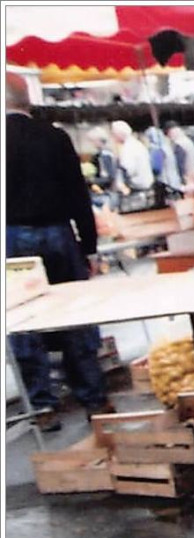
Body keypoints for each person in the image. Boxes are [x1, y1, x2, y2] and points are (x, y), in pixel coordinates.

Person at [5, 74, 109, 430]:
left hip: (13, 239)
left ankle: (44, 406)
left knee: (23, 321)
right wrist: (90, 248)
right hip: (59, 234)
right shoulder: (55, 136)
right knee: (75, 315)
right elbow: (80, 196)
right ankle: (94, 398)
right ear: (28, 99)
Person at [110, 120, 153, 194]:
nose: (113, 137)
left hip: (137, 186)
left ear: (120, 134)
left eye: (114, 134)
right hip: (146, 183)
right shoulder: (137, 144)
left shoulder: (128, 148)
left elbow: (128, 169)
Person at [165, 122, 194, 190]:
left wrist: (181, 179)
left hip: (187, 179)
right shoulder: (188, 141)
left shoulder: (178, 144)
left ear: (169, 132)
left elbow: (180, 164)